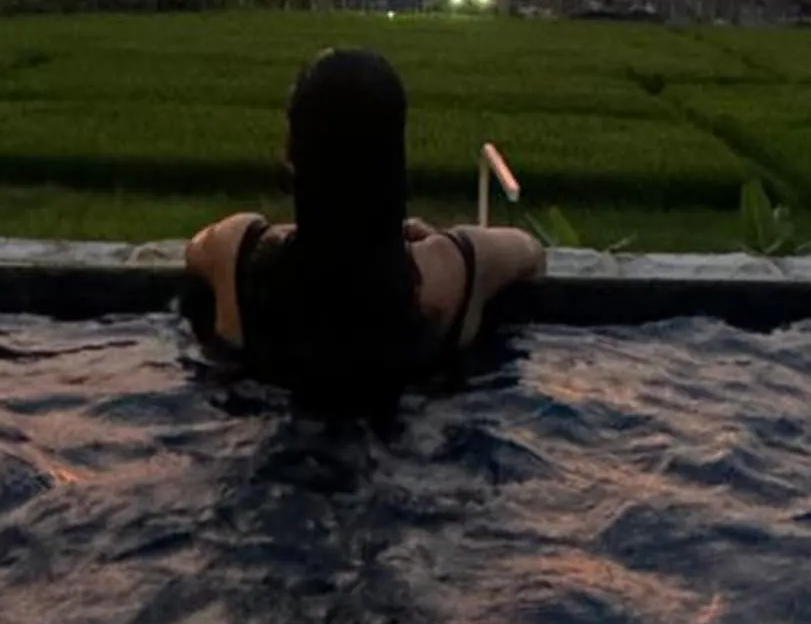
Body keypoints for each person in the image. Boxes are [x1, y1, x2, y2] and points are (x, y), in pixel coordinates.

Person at [185, 46, 544, 394]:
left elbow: (194, 252)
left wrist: (289, 233)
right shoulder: (458, 270)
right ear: (394, 157)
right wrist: (434, 242)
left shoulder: (236, 252)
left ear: (292, 151)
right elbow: (532, 254)